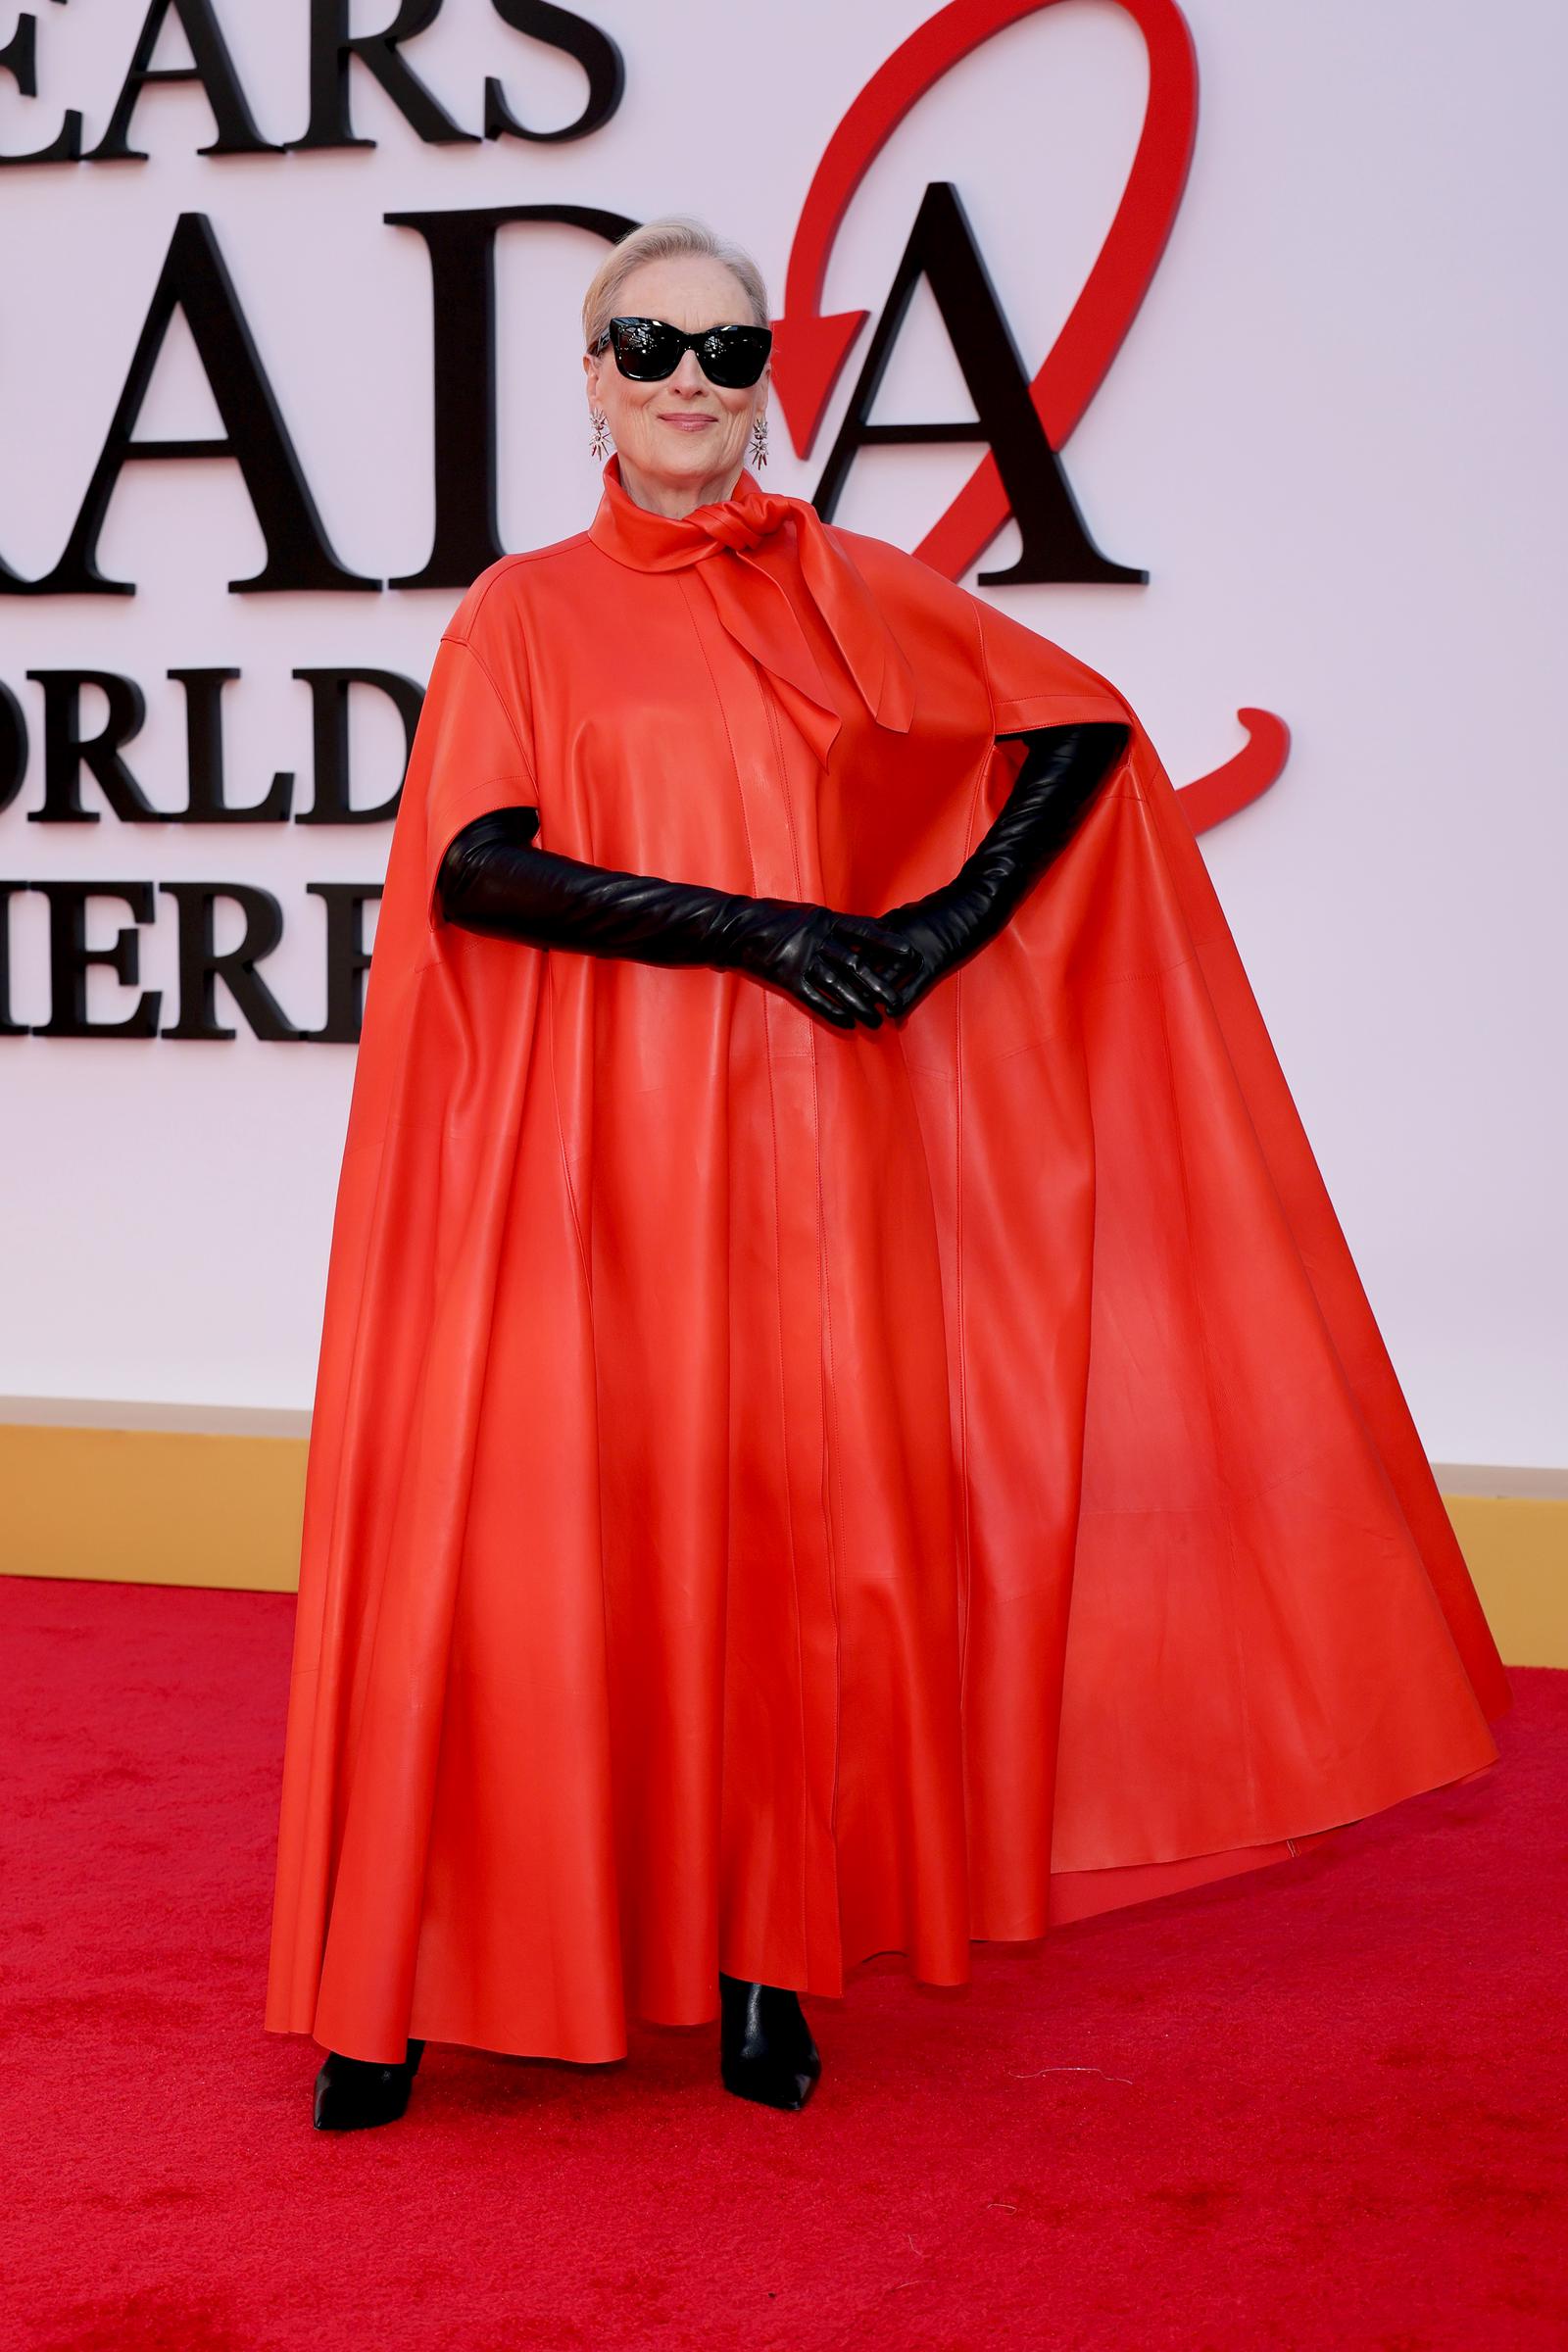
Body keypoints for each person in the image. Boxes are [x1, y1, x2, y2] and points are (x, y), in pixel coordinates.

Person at [266, 217, 1510, 2132]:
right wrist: (767, 933)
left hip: (790, 1157)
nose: (690, 376)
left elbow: (1074, 732)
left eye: (727, 346)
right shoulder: (516, 612)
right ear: (589, 383)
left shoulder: (843, 588)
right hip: (573, 1157)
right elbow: (475, 866)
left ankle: (767, 1964)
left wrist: (926, 941)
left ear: (766, 376)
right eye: (648, 344)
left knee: (788, 1547)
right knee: (521, 1539)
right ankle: (397, 1991)